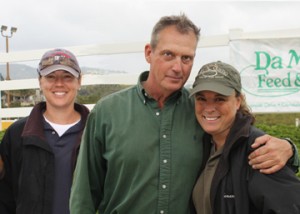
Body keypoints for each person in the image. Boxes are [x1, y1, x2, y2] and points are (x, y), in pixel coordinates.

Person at [70, 14, 297, 214]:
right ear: (149, 53)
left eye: (186, 58)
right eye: (168, 54)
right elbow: (84, 194)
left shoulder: (200, 109)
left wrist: (289, 149)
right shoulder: (108, 111)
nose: (178, 67)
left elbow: (241, 137)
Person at [190, 61, 300, 214]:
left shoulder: (260, 151)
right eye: (201, 98)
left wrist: (291, 150)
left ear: (237, 101)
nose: (209, 108)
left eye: (219, 99)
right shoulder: (203, 145)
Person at [0, 48, 90, 214]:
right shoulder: (17, 134)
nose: (59, 84)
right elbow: (4, 197)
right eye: (50, 77)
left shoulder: (96, 133)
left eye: (67, 76)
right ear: (40, 81)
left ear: (79, 81)